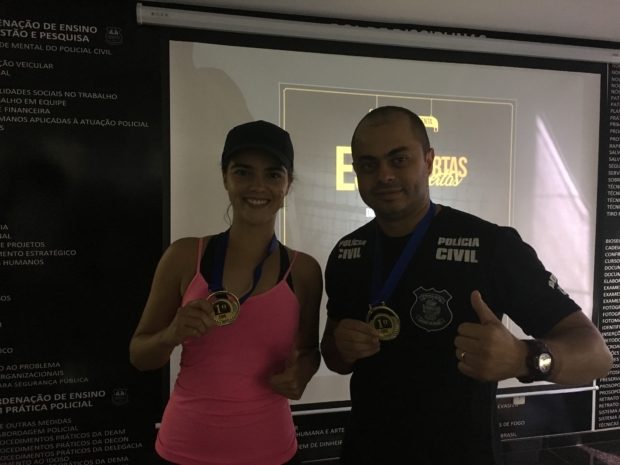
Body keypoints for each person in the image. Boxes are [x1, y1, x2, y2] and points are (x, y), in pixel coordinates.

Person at [320, 106, 613, 465]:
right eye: (369, 164)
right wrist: (340, 348)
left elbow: (597, 356)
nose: (384, 175)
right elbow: (334, 356)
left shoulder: (493, 246)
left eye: (399, 159)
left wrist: (523, 358)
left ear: (429, 161)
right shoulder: (348, 252)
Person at [129, 120, 323, 465]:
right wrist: (171, 334)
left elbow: (309, 351)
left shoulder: (303, 271)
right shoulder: (184, 256)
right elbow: (140, 356)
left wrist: (302, 373)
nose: (257, 186)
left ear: (288, 184)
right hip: (183, 450)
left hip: (272, 450)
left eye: (273, 174)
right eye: (243, 172)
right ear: (225, 178)